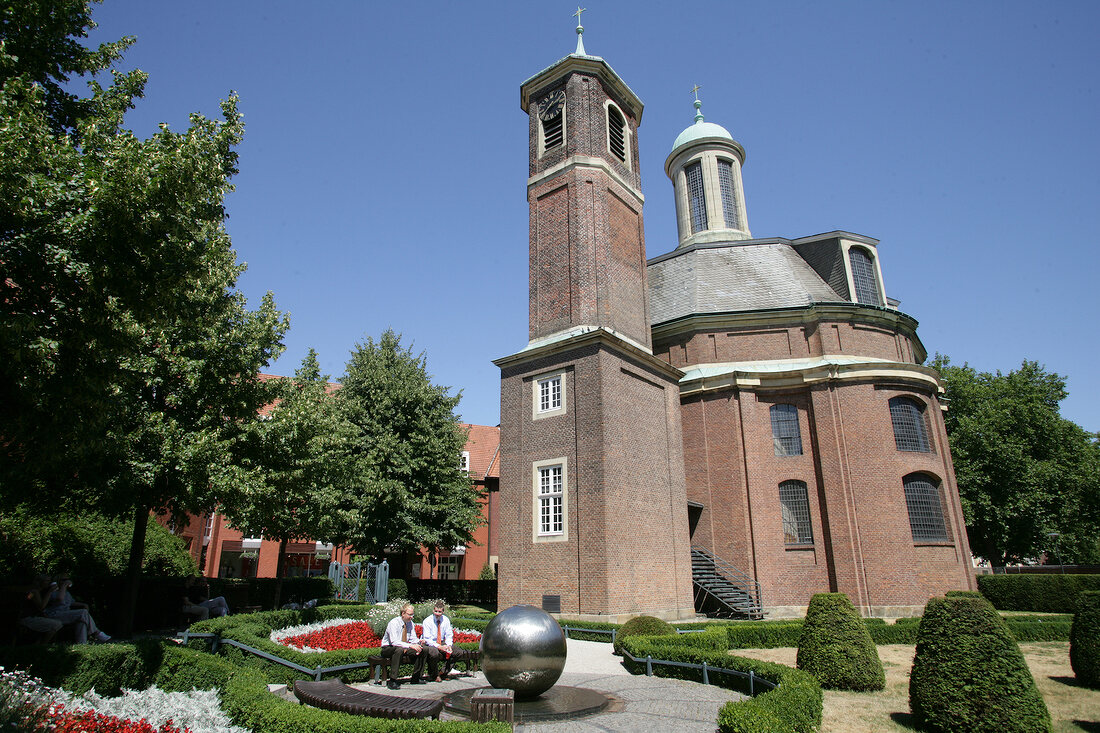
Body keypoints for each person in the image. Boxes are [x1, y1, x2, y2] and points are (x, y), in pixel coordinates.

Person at [42, 573, 109, 643]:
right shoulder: (53, 591)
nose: (66, 581)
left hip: (65, 614)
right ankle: (96, 633)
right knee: (83, 613)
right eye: (64, 580)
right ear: (58, 581)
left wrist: (84, 604)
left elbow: (71, 602)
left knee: (82, 621)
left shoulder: (67, 593)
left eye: (67, 579)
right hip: (55, 615)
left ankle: (82, 644)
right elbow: (60, 600)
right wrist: (64, 586)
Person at [379, 603, 427, 689]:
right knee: (399, 650)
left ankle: (416, 677)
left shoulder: (410, 623)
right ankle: (392, 680)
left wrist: (419, 642)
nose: (411, 617)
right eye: (409, 614)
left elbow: (413, 639)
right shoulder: (394, 623)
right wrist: (410, 646)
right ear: (403, 613)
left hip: (403, 646)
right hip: (388, 648)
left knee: (422, 649)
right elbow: (394, 642)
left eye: (412, 614)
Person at [18, 574, 63, 643]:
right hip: (27, 618)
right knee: (57, 624)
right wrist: (50, 591)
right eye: (47, 581)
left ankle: (39, 643)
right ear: (40, 582)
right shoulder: (34, 592)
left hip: (31, 616)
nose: (49, 582)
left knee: (54, 622)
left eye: (50, 581)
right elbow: (41, 607)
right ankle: (43, 644)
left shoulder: (36, 591)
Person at [419, 601, 453, 681]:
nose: (437, 613)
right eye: (436, 611)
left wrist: (448, 645)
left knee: (457, 652)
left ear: (443, 611)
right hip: (429, 643)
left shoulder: (446, 620)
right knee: (434, 653)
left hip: (441, 642)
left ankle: (442, 673)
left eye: (440, 612)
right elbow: (427, 639)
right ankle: (434, 674)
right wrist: (439, 646)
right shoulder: (427, 621)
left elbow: (449, 634)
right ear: (433, 610)